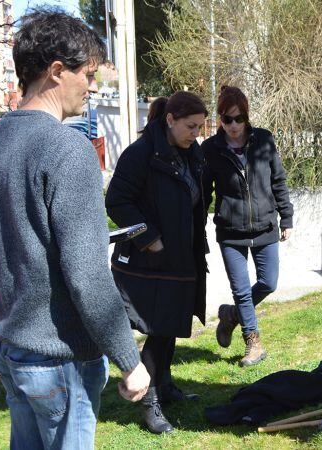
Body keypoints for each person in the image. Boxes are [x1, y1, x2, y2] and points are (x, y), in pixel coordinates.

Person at [0, 9, 150, 449]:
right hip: (59, 358)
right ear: (57, 71)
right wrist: (129, 360)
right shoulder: (68, 149)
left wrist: (20, 267)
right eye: (89, 74)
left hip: (9, 348)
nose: (95, 86)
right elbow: (87, 275)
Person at [105, 91, 209, 434]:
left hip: (183, 256)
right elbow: (117, 201)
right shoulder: (141, 155)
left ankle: (163, 384)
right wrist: (149, 238)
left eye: (200, 127)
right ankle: (148, 402)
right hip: (149, 261)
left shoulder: (191, 152)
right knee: (159, 329)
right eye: (190, 126)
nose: (196, 133)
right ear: (169, 119)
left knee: (172, 327)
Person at [202, 86, 294, 367]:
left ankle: (230, 315)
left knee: (269, 282)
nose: (232, 126)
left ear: (246, 117)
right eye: (226, 119)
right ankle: (253, 343)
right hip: (231, 231)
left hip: (265, 225)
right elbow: (205, 192)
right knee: (241, 291)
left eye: (238, 119)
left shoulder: (263, 140)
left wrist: (286, 217)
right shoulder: (211, 149)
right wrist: (195, 227)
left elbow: (278, 179)